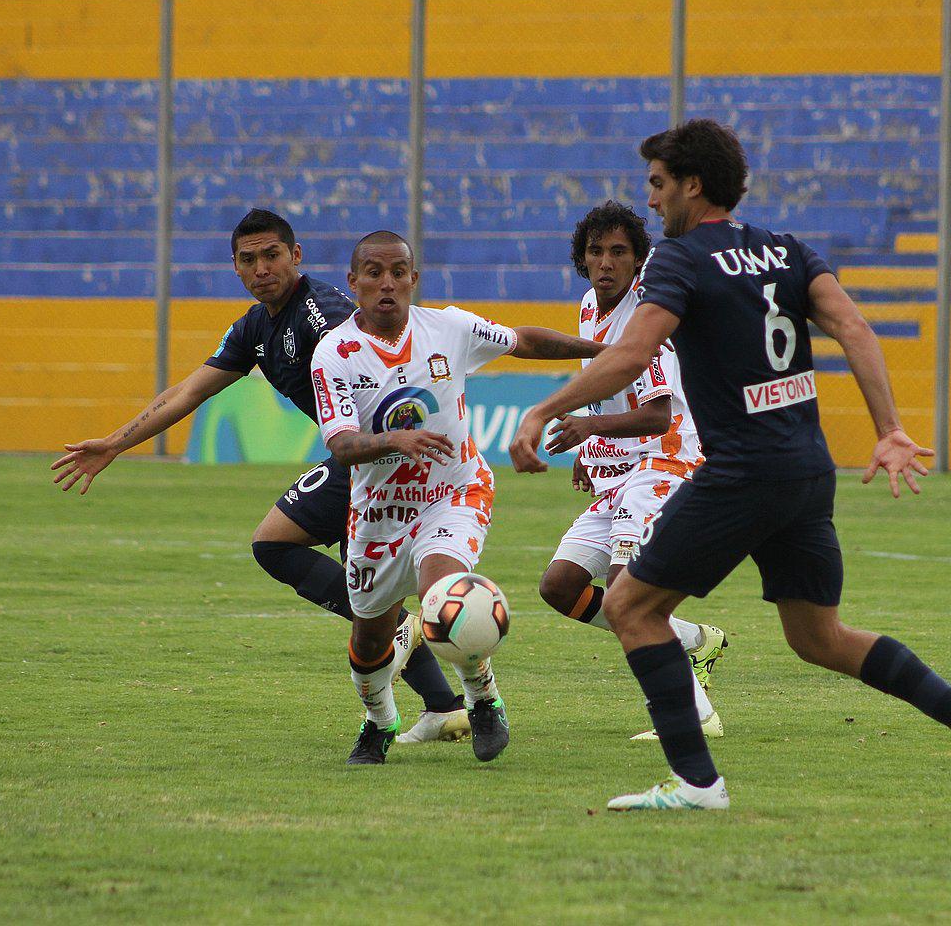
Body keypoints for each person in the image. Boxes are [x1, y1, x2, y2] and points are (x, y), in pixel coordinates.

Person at [509, 119, 951, 814]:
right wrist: (891, 430)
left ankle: (698, 784)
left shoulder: (679, 259)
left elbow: (632, 357)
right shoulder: (789, 252)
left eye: (659, 184)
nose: (653, 199)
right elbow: (853, 328)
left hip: (739, 471)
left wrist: (543, 410)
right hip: (805, 470)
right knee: (820, 637)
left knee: (630, 607)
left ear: (692, 186)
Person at [51, 208, 468, 739]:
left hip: (381, 464)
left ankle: (422, 673)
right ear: (236, 268)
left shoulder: (324, 313)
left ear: (296, 257)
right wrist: (115, 443)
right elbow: (189, 391)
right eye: (248, 260)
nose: (261, 268)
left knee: (277, 546)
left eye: (272, 255)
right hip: (359, 462)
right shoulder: (254, 327)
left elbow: (385, 358)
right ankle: (441, 702)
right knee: (329, 575)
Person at [310, 230, 605, 766]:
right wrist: (394, 440)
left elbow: (524, 341)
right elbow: (340, 444)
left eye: (399, 272)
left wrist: (608, 354)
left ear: (413, 279)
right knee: (369, 642)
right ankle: (379, 722)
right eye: (373, 272)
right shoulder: (336, 354)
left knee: (444, 592)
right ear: (353, 283)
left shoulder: (447, 327)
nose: (387, 283)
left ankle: (483, 699)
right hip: (378, 516)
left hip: (454, 491)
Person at [537, 201, 728, 741]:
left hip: (668, 458)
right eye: (596, 251)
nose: (606, 262)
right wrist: (590, 444)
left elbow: (658, 414)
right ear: (582, 258)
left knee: (626, 594)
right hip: (621, 470)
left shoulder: (649, 310)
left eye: (619, 252)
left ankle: (694, 714)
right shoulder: (589, 308)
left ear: (638, 260)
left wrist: (589, 428)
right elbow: (605, 388)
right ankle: (694, 641)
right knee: (560, 586)